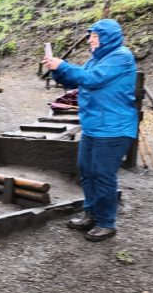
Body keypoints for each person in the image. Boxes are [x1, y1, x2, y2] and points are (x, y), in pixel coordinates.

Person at [42, 18, 138, 242]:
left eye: (95, 37)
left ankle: (106, 223)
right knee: (86, 171)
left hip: (114, 129)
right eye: (91, 36)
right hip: (94, 126)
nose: (91, 41)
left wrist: (63, 65)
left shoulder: (121, 57)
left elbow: (92, 79)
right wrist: (57, 70)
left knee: (103, 175)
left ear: (108, 38)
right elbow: (75, 82)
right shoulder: (96, 59)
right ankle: (91, 213)